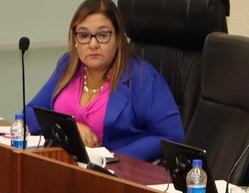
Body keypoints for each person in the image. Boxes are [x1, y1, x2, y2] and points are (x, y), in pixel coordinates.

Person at [24, 0, 183, 161]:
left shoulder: (141, 76)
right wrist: (71, 129)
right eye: (84, 35)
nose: (93, 44)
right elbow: (30, 112)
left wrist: (112, 158)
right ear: (75, 40)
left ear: (118, 37)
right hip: (66, 166)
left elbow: (171, 136)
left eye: (102, 35)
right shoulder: (68, 65)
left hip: (115, 176)